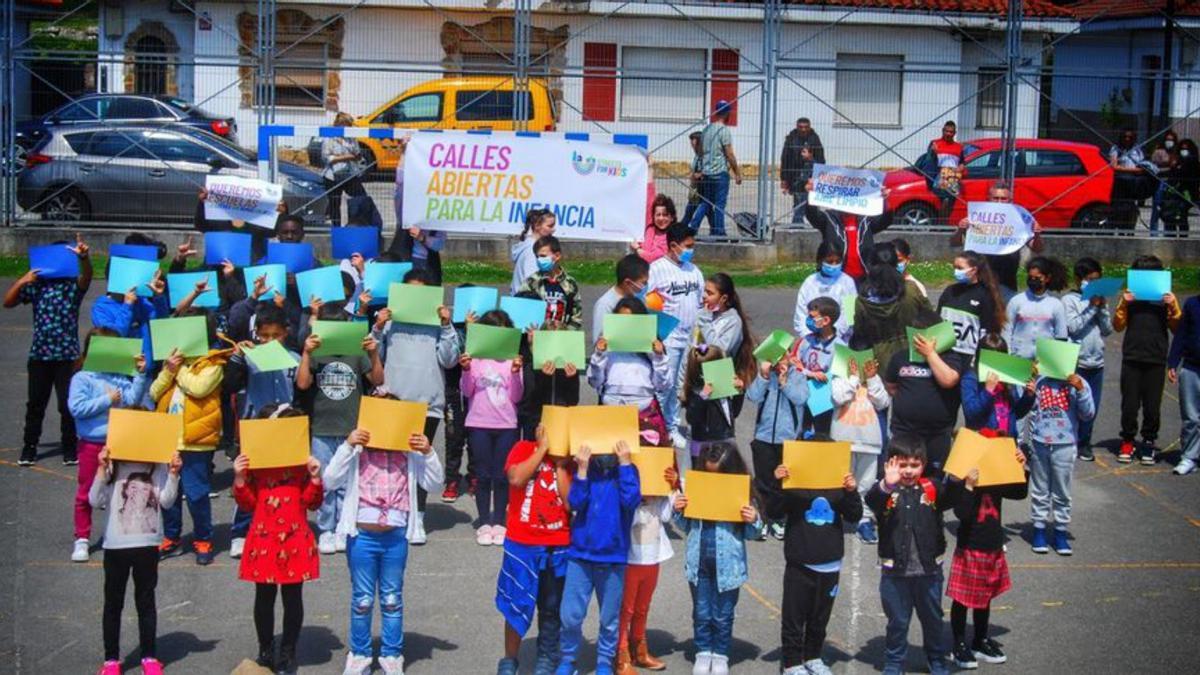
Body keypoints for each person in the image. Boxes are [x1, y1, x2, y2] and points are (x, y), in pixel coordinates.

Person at [323, 416, 444, 675]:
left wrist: (428, 451)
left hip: (395, 537)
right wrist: (347, 445)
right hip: (362, 537)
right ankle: (359, 653)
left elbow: (434, 483)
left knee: (392, 599)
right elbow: (330, 480)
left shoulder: (408, 455)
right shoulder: (357, 453)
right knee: (362, 600)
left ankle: (391, 653)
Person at [371, 268, 462, 543]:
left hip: (427, 401)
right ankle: (390, 513)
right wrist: (376, 326)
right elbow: (373, 354)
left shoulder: (438, 323)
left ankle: (418, 516)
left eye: (421, 290)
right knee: (389, 460)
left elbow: (450, 359)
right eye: (409, 290)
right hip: (393, 398)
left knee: (419, 458)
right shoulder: (390, 321)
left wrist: (446, 325)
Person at [232, 405, 323, 673]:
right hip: (264, 537)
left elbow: (312, 502)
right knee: (264, 596)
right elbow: (247, 503)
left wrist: (315, 478)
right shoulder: (257, 461)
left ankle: (288, 650)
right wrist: (239, 477)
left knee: (293, 596)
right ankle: (265, 648)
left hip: (294, 537)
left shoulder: (300, 461)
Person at [865, 436, 961, 675]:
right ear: (890, 464)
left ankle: (936, 659)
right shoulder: (887, 490)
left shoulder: (931, 488)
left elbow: (954, 499)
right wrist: (887, 484)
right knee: (897, 621)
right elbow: (871, 501)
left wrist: (960, 482)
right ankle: (894, 662)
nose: (908, 471)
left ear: (924, 464)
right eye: (902, 465)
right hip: (894, 572)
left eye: (914, 465)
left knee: (933, 620)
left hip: (929, 572)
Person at [296, 304, 384, 554]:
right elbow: (303, 384)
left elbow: (378, 381)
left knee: (348, 481)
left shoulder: (356, 352)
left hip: (351, 427)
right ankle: (326, 529)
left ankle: (344, 527)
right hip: (322, 427)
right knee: (324, 480)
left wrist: (374, 354)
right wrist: (305, 353)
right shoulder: (317, 352)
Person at [90, 446, 180, 675]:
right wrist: (101, 468)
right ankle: (111, 659)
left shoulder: (157, 466)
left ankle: (149, 656)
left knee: (146, 602)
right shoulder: (113, 466)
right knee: (113, 603)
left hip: (147, 546)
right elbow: (94, 499)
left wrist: (173, 473)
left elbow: (168, 501)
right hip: (116, 546)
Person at [672, 442, 760, 675]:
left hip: (729, 567)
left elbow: (752, 534)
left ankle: (720, 653)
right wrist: (679, 510)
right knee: (701, 611)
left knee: (723, 614)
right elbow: (684, 526)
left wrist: (753, 519)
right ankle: (703, 651)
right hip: (698, 563)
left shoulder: (743, 494)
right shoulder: (696, 489)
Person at [151, 314, 232, 566]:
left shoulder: (213, 363)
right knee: (168, 494)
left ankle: (203, 538)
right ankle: (171, 537)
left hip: (196, 441)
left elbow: (199, 388)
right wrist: (168, 371)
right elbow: (154, 392)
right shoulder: (172, 363)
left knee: (196, 494)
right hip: (167, 438)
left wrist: (180, 370)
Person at [4, 234, 91, 466]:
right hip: (40, 355)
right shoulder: (36, 287)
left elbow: (87, 278)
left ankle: (69, 447)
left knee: (66, 405)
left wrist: (84, 258)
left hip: (67, 356)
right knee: (35, 404)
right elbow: (8, 301)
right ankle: (29, 447)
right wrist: (23, 280)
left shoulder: (72, 287)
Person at [765, 465, 861, 675]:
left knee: (820, 617)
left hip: (830, 563)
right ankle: (791, 662)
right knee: (794, 616)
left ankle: (813, 656)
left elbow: (854, 516)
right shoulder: (795, 486)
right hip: (799, 563)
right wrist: (778, 484)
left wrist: (852, 491)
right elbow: (773, 511)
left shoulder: (838, 487)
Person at [225, 303, 303, 558]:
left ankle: (284, 527)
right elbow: (230, 386)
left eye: (275, 335)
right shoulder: (249, 357)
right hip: (255, 427)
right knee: (249, 478)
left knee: (285, 481)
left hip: (286, 427)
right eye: (264, 336)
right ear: (256, 334)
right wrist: (237, 356)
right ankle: (239, 532)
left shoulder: (295, 359)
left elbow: (302, 392)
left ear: (286, 332)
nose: (270, 341)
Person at [557, 440, 641, 675]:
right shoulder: (585, 468)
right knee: (570, 614)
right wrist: (582, 471)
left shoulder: (630, 470)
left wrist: (625, 464)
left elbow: (631, 500)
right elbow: (574, 503)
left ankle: (605, 660)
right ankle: (568, 659)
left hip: (613, 557)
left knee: (609, 617)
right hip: (581, 554)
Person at [68, 329, 151, 562]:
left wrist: (140, 374)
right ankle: (81, 538)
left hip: (119, 442)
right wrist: (107, 400)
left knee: (117, 491)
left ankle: (111, 533)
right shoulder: (82, 378)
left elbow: (133, 400)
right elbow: (77, 408)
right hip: (92, 444)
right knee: (86, 491)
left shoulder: (118, 377)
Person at [495, 428, 573, 675]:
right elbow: (516, 478)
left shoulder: (570, 460)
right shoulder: (522, 448)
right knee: (515, 605)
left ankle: (547, 658)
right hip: (522, 543)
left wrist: (561, 466)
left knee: (551, 607)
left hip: (557, 545)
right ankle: (509, 660)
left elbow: (571, 503)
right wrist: (541, 450)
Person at [944, 451, 1028, 670]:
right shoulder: (964, 481)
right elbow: (961, 512)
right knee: (962, 599)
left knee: (986, 595)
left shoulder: (996, 477)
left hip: (992, 544)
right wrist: (969, 485)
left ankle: (979, 640)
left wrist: (1021, 467)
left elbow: (1019, 492)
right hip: (970, 545)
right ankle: (959, 643)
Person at [460, 310, 525, 546]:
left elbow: (517, 397)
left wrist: (517, 374)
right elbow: (466, 391)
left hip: (506, 424)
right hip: (478, 423)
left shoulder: (511, 361)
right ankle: (484, 521)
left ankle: (499, 520)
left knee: (502, 475)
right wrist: (466, 370)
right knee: (483, 475)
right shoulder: (475, 360)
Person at [1112, 255, 1182, 464]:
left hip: (1156, 357)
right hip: (1132, 356)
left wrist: (1173, 306)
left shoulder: (1165, 297)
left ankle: (1149, 441)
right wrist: (1124, 303)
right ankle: (1127, 439)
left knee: (1153, 405)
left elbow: (1176, 328)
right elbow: (1118, 325)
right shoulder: (1130, 297)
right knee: (1130, 404)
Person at [883, 311, 966, 477]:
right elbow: (891, 386)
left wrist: (930, 355)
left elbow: (948, 380)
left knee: (933, 480)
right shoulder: (901, 357)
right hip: (904, 430)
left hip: (937, 433)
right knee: (902, 474)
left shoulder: (951, 358)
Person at [616, 465, 678, 675]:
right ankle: (621, 653)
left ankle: (639, 649)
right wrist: (638, 497)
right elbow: (627, 520)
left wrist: (671, 487)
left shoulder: (657, 498)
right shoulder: (627, 494)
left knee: (643, 606)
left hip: (653, 556)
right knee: (626, 608)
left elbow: (667, 515)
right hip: (630, 557)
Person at [1025, 368, 1095, 556]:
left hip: (1065, 444)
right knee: (1040, 489)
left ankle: (1060, 532)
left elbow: (1088, 414)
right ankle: (1039, 529)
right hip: (1040, 442)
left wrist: (1080, 390)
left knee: (1062, 492)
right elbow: (1028, 409)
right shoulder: (1041, 381)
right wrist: (1029, 392)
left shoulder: (1077, 382)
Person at [647, 223, 705, 445]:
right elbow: (646, 299)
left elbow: (701, 303)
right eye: (687, 246)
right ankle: (655, 428)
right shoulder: (657, 269)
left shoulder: (694, 271)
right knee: (663, 385)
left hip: (689, 339)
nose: (691, 250)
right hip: (667, 339)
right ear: (673, 245)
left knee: (679, 387)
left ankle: (671, 427)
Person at [589, 297, 672, 446]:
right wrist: (599, 355)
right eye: (621, 321)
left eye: (632, 322)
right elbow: (594, 381)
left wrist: (658, 357)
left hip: (644, 412)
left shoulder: (651, 350)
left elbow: (663, 385)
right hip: (611, 412)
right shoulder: (608, 349)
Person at [747, 350, 809, 541]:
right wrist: (763, 376)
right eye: (775, 356)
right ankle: (764, 519)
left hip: (787, 439)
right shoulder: (766, 377)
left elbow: (801, 398)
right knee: (764, 481)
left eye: (783, 356)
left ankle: (779, 518)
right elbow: (752, 396)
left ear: (790, 357)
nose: (779, 361)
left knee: (783, 482)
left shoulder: (798, 377)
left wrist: (784, 383)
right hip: (763, 437)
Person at [830, 355, 890, 544]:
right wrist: (853, 378)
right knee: (839, 480)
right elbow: (838, 398)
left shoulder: (874, 380)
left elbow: (883, 402)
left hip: (869, 442)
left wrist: (871, 379)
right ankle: (835, 515)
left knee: (865, 483)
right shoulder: (840, 378)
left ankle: (864, 520)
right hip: (842, 440)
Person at [850, 244, 934, 372]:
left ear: (870, 266)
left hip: (880, 361)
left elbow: (860, 334)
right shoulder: (911, 290)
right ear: (896, 263)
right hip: (914, 354)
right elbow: (931, 318)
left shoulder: (862, 300)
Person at [950, 181, 1044, 294]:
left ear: (1010, 200)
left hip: (1007, 283)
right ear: (989, 198)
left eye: (1004, 199)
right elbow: (954, 243)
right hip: (980, 282)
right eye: (996, 198)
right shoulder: (978, 216)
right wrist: (961, 229)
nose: (999, 201)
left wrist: (1037, 234)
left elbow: (1037, 249)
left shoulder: (1020, 219)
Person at [1062, 258, 1113, 461]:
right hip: (1078, 360)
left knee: (1093, 406)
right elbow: (1073, 327)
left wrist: (1102, 309)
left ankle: (1085, 442)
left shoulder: (1101, 300)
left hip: (1096, 361)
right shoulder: (1070, 300)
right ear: (1079, 279)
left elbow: (1108, 330)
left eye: (1096, 280)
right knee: (1075, 403)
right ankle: (1070, 440)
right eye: (1089, 279)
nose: (1093, 283)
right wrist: (1091, 307)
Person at [804, 181, 894, 282]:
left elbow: (885, 221)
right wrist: (811, 194)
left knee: (858, 298)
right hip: (838, 278)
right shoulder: (829, 218)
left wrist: (885, 200)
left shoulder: (866, 219)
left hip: (863, 278)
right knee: (847, 298)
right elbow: (813, 216)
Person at [937, 251, 1007, 360]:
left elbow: (987, 329)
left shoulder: (985, 295)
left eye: (960, 268)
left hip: (969, 356)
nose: (956, 271)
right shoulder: (949, 291)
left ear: (974, 270)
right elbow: (938, 320)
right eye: (955, 267)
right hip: (947, 353)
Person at [960, 334, 1033, 438]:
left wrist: (1028, 396)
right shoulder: (971, 379)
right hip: (982, 441)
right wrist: (987, 391)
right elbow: (971, 414)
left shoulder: (1007, 380)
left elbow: (1017, 413)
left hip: (1007, 441)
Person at [689, 100, 743, 237]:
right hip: (720, 174)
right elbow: (729, 153)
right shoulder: (723, 131)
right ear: (727, 113)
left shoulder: (707, 129)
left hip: (706, 173)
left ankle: (692, 227)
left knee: (706, 202)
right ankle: (719, 232)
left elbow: (700, 151)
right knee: (719, 205)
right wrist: (737, 172)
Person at [682, 344, 743, 463]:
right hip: (703, 447)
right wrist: (703, 396)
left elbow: (734, 413)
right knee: (703, 479)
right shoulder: (697, 391)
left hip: (726, 440)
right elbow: (691, 418)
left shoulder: (723, 388)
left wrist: (739, 392)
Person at [795, 297, 843, 437]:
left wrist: (805, 370)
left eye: (812, 317)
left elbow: (839, 377)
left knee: (822, 436)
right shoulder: (806, 340)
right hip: (802, 395)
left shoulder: (840, 347)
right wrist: (809, 373)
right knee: (801, 434)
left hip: (823, 400)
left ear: (826, 320)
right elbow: (794, 363)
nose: (808, 320)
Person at [1004, 256, 1068, 361]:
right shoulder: (1016, 301)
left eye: (1038, 278)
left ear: (1047, 278)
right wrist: (1008, 355)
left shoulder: (1056, 304)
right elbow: (1007, 330)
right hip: (1019, 359)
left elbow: (1061, 335)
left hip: (1045, 362)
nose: (1033, 281)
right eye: (1030, 278)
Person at [516, 236, 583, 331]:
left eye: (543, 256)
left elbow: (576, 316)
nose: (539, 260)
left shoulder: (570, 283)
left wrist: (567, 333)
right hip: (537, 337)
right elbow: (521, 311)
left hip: (561, 337)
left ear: (557, 256)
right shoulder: (532, 282)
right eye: (537, 256)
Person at [792, 243, 856, 342]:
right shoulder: (810, 282)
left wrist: (832, 336)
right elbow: (800, 314)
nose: (834, 265)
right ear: (820, 261)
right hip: (811, 339)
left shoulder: (847, 282)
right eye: (830, 261)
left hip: (839, 339)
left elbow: (849, 315)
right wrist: (809, 336)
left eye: (837, 261)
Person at [1168, 289, 1200, 475]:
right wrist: (1173, 362)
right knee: (1191, 417)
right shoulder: (1192, 304)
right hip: (1192, 367)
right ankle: (1189, 457)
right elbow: (1181, 335)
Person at [591, 254, 651, 341]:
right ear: (628, 282)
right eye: (643, 283)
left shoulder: (639, 299)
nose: (645, 286)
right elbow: (598, 342)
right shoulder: (605, 305)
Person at [322, 112, 367, 227]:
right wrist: (348, 157)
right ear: (339, 124)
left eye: (349, 125)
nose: (348, 127)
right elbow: (327, 158)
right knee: (335, 204)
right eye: (346, 124)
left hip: (350, 174)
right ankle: (336, 229)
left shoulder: (351, 138)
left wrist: (354, 156)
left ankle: (355, 225)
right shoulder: (329, 137)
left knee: (360, 198)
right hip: (332, 176)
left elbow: (357, 153)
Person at [780, 117, 825, 225]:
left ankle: (817, 226)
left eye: (806, 127)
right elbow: (785, 159)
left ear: (810, 127)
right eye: (801, 127)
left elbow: (821, 161)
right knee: (799, 202)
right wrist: (784, 179)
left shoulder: (815, 139)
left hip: (811, 177)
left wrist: (810, 158)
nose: (803, 130)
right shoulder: (791, 139)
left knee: (812, 204)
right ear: (797, 127)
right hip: (795, 176)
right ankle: (797, 226)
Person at [1109, 129, 1152, 231]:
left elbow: (1142, 164)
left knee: (1131, 207)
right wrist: (1133, 170)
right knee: (1119, 206)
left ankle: (1129, 228)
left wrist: (1139, 171)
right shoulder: (1116, 149)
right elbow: (1114, 166)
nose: (1127, 139)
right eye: (1125, 137)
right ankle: (1118, 227)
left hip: (1133, 181)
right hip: (1120, 181)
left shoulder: (1137, 150)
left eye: (1130, 137)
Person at [925, 121, 964, 224]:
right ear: (943, 131)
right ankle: (940, 223)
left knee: (950, 201)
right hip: (938, 175)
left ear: (954, 133)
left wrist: (961, 167)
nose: (948, 134)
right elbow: (928, 161)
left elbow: (962, 162)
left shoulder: (959, 147)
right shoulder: (935, 143)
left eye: (951, 132)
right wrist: (933, 152)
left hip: (953, 176)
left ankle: (943, 223)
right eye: (946, 131)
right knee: (944, 199)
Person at [511, 208, 557, 294]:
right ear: (537, 226)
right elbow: (531, 280)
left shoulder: (529, 245)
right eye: (550, 226)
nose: (553, 230)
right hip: (526, 302)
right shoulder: (531, 250)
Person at [1162, 138, 1200, 236]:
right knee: (1171, 215)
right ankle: (1171, 235)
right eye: (1182, 149)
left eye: (1186, 149)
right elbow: (1172, 176)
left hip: (1187, 193)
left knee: (1182, 215)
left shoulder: (1193, 163)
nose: (1184, 152)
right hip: (1175, 194)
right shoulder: (1177, 162)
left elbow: (1186, 175)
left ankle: (1183, 235)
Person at [1148, 130, 1179, 235]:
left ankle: (1169, 233)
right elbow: (1154, 168)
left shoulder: (1176, 152)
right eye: (1167, 139)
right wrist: (1169, 167)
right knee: (1157, 207)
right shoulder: (1158, 152)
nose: (1169, 142)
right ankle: (1153, 232)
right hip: (1160, 182)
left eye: (1171, 140)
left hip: (1172, 183)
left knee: (1169, 209)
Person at [635, 195, 675, 264]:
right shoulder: (649, 230)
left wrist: (638, 249)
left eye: (665, 215)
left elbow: (655, 258)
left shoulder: (673, 235)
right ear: (653, 216)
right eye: (658, 215)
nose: (661, 218)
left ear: (672, 217)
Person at [680, 132, 704, 229]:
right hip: (695, 186)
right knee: (693, 209)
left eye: (694, 144)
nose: (692, 146)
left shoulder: (704, 156)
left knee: (702, 207)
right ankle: (718, 231)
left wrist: (697, 175)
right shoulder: (697, 155)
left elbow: (706, 170)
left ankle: (688, 228)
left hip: (702, 186)